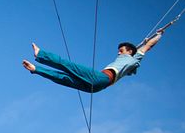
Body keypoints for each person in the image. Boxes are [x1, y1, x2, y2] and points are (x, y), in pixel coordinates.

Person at [21, 31, 163, 93]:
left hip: (101, 78)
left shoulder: (134, 58)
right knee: (64, 79)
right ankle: (36, 69)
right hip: (96, 88)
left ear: (129, 51)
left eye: (121, 50)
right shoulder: (130, 63)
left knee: (68, 65)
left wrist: (159, 34)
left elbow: (148, 46)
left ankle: (41, 54)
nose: (118, 52)